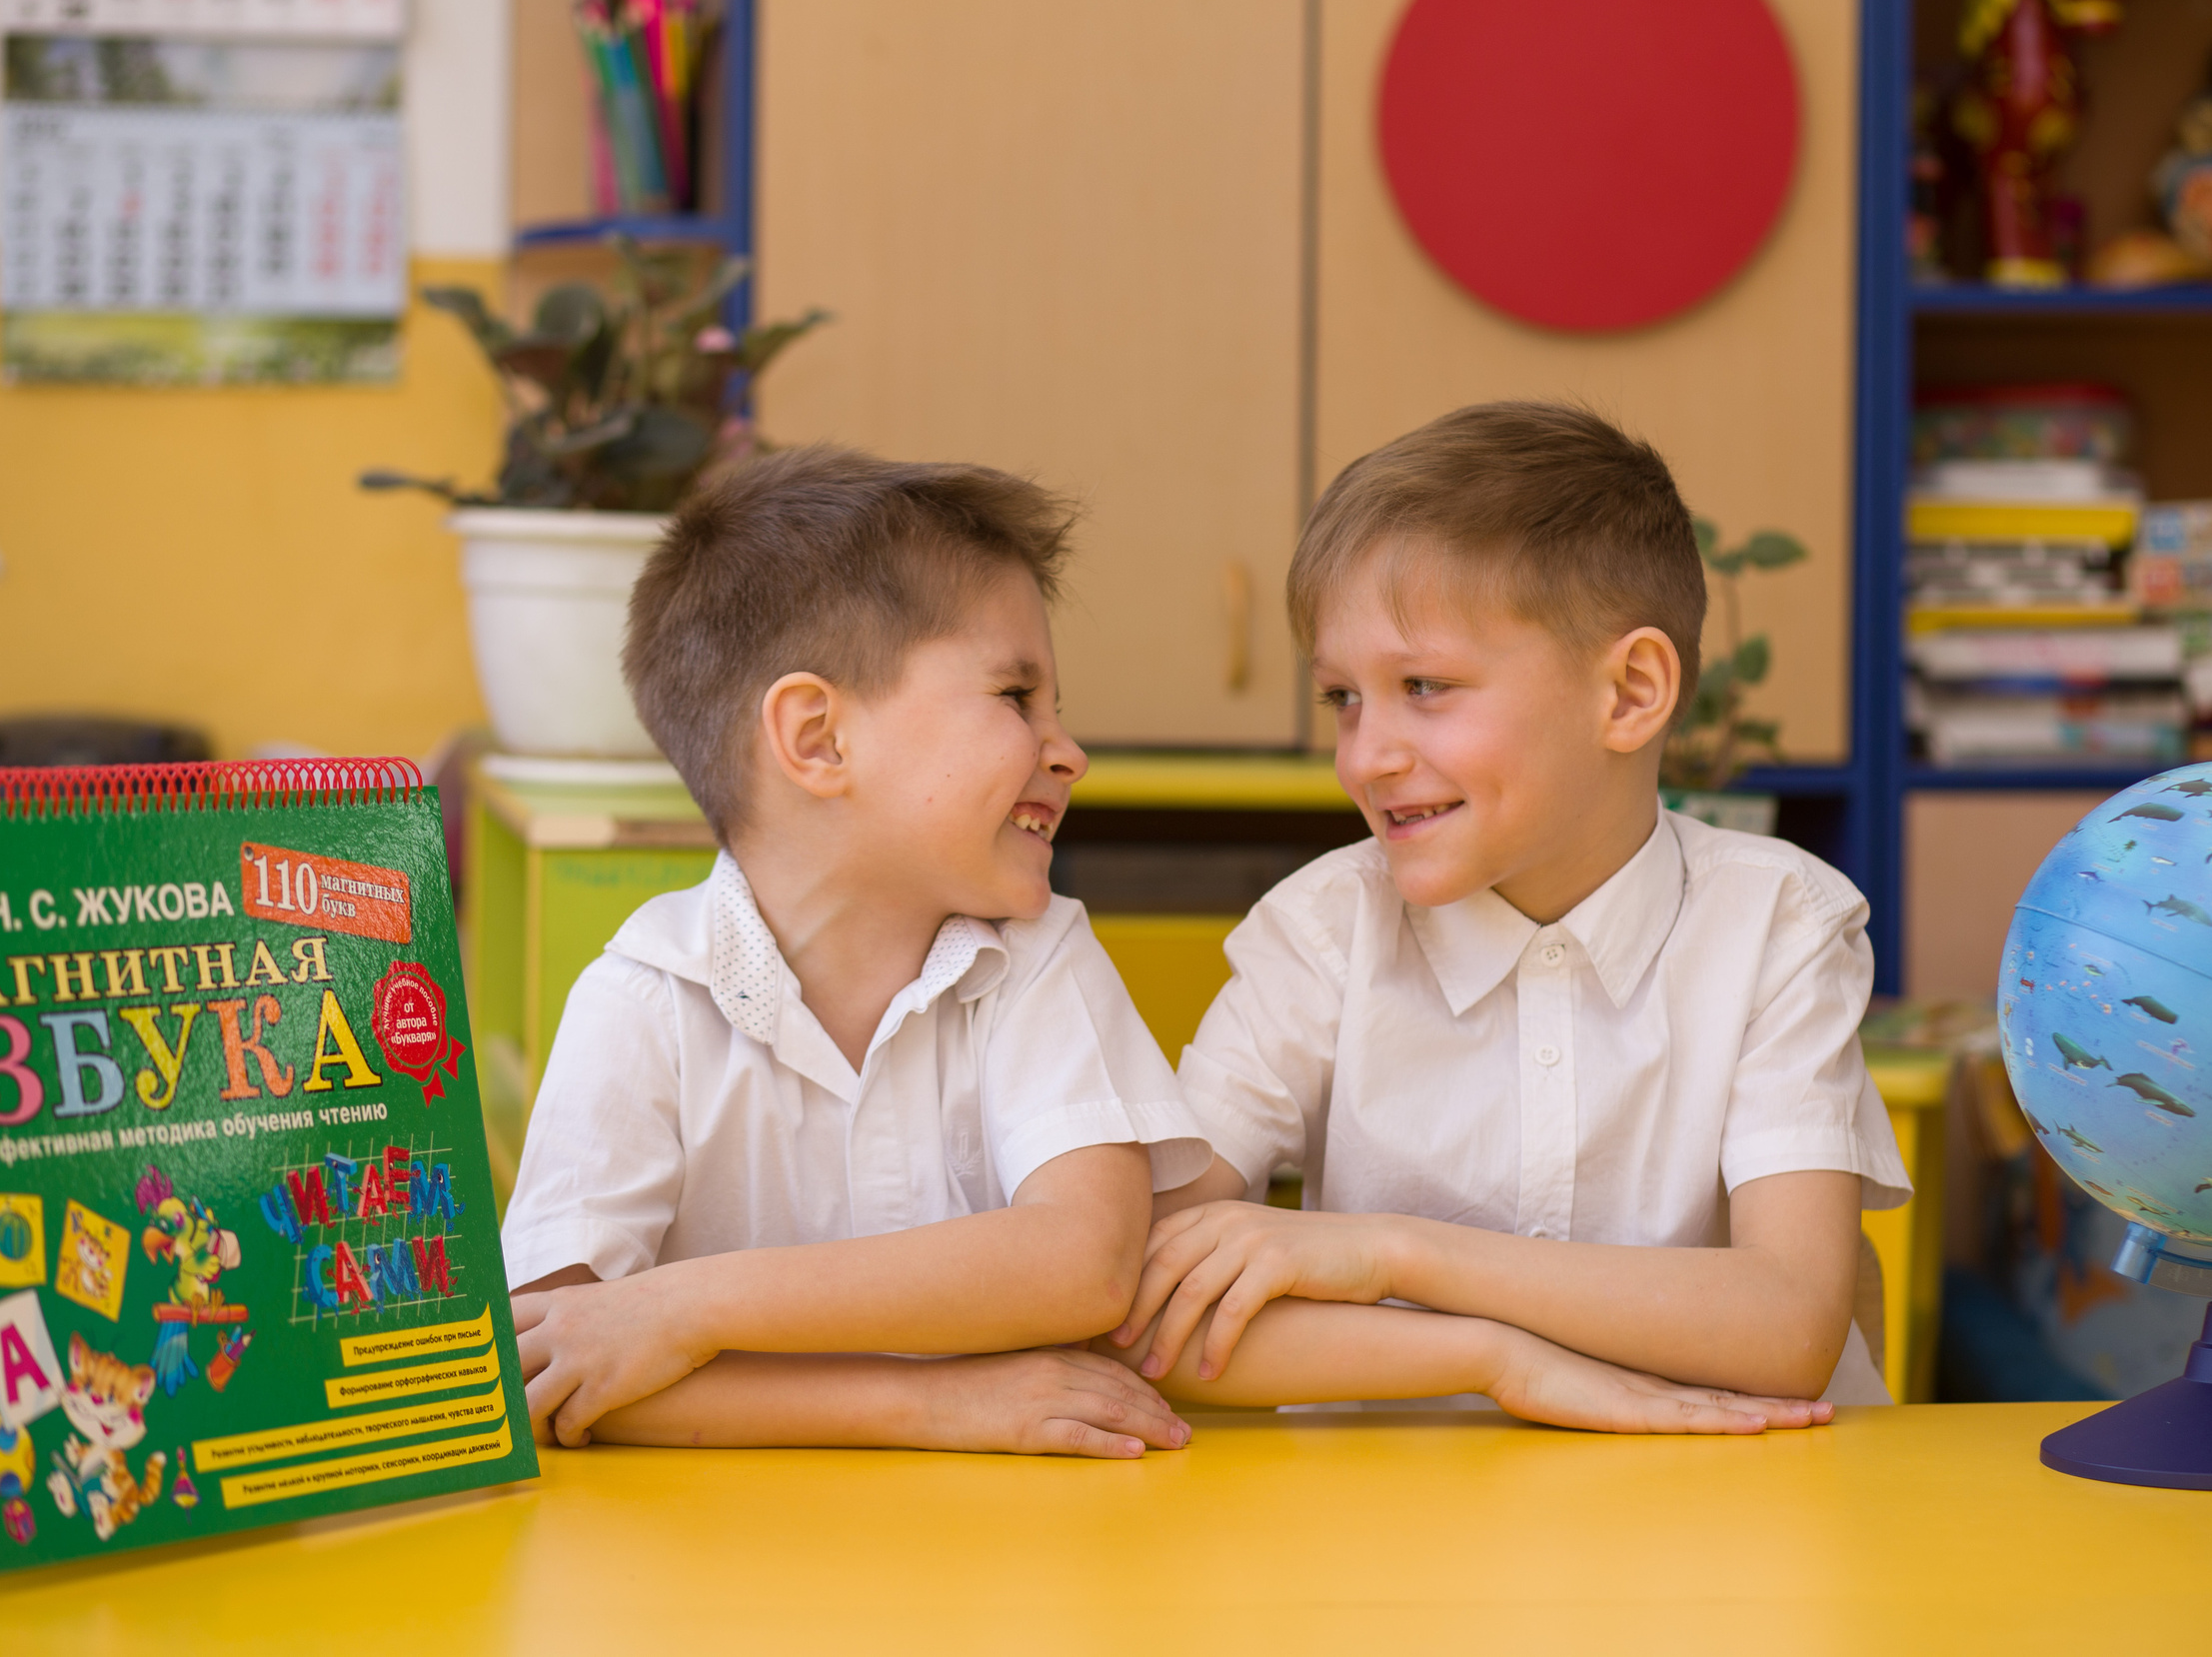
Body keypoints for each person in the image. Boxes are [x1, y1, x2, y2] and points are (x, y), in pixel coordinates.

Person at [1106, 402, 1911, 1428]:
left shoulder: (1776, 924)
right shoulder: (1318, 934)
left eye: (1425, 686)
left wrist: (1393, 1252)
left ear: (1629, 692)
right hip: (1390, 1534)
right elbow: (1140, 1307)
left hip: (1715, 1525)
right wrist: (1492, 1358)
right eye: (1343, 697)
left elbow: (1787, 1328)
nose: (1366, 756)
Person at [502, 446, 1213, 1458]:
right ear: (818, 738)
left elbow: (1084, 1261)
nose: (1068, 749)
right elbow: (559, 1365)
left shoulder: (1038, 955)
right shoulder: (641, 1003)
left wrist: (683, 1310)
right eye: (1016, 696)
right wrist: (925, 1405)